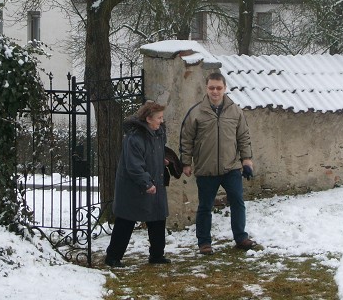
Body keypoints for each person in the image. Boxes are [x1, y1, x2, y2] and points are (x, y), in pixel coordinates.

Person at [180, 72, 256, 255]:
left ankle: (241, 237)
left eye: (219, 88)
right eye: (212, 88)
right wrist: (186, 162)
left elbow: (243, 136)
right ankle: (204, 243)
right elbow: (186, 138)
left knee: (238, 202)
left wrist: (246, 160)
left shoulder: (235, 110)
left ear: (225, 88)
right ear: (206, 88)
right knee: (205, 207)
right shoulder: (196, 112)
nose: (215, 91)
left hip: (231, 167)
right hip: (206, 169)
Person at [104, 101, 171, 267]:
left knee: (158, 218)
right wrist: (147, 183)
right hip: (133, 187)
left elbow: (155, 152)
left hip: (155, 180)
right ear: (148, 118)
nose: (161, 121)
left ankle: (157, 255)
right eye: (159, 118)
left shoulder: (159, 133)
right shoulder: (134, 138)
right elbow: (134, 166)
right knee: (126, 221)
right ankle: (113, 256)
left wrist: (162, 161)